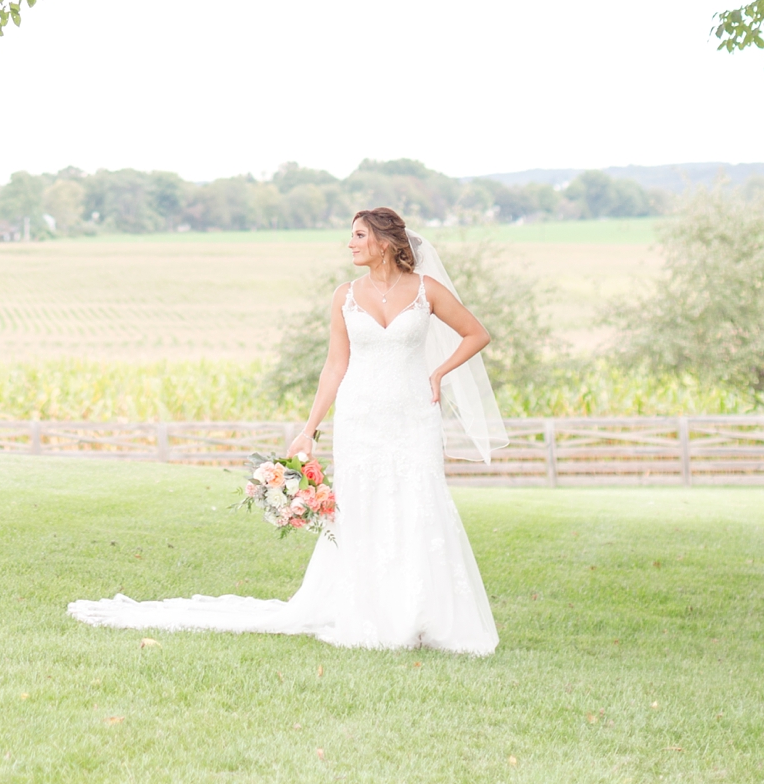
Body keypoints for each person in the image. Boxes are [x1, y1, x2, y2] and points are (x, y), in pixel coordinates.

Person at [68, 205, 500, 653]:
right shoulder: (344, 296)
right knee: (361, 508)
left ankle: (423, 614)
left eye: (358, 235)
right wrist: (309, 429)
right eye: (350, 236)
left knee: (419, 502)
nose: (350, 243)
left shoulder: (426, 290)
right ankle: (369, 612)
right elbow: (336, 365)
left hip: (414, 417)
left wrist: (438, 373)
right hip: (360, 418)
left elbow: (476, 333)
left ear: (386, 242)